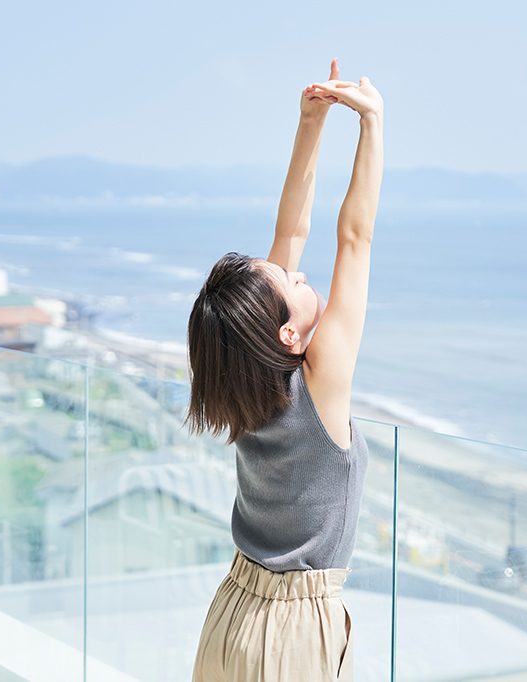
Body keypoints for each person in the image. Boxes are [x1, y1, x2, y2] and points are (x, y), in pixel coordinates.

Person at [183, 57, 384, 682]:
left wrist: (311, 122)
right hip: (295, 632)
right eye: (292, 283)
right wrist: (373, 125)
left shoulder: (241, 382)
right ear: (289, 333)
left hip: (232, 611)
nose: (298, 270)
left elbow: (291, 228)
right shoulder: (318, 382)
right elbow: (354, 238)